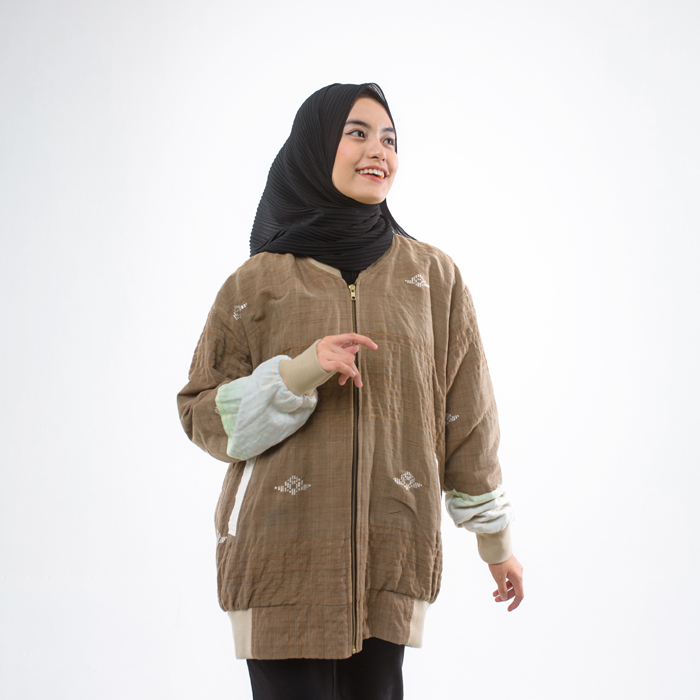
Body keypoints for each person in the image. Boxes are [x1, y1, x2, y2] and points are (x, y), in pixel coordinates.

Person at [177, 82, 524, 700]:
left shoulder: (433, 277)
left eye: (389, 138)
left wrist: (495, 543)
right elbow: (203, 416)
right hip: (280, 556)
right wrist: (297, 374)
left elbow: (467, 417)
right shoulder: (256, 282)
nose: (378, 151)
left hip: (392, 551)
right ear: (314, 147)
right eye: (356, 133)